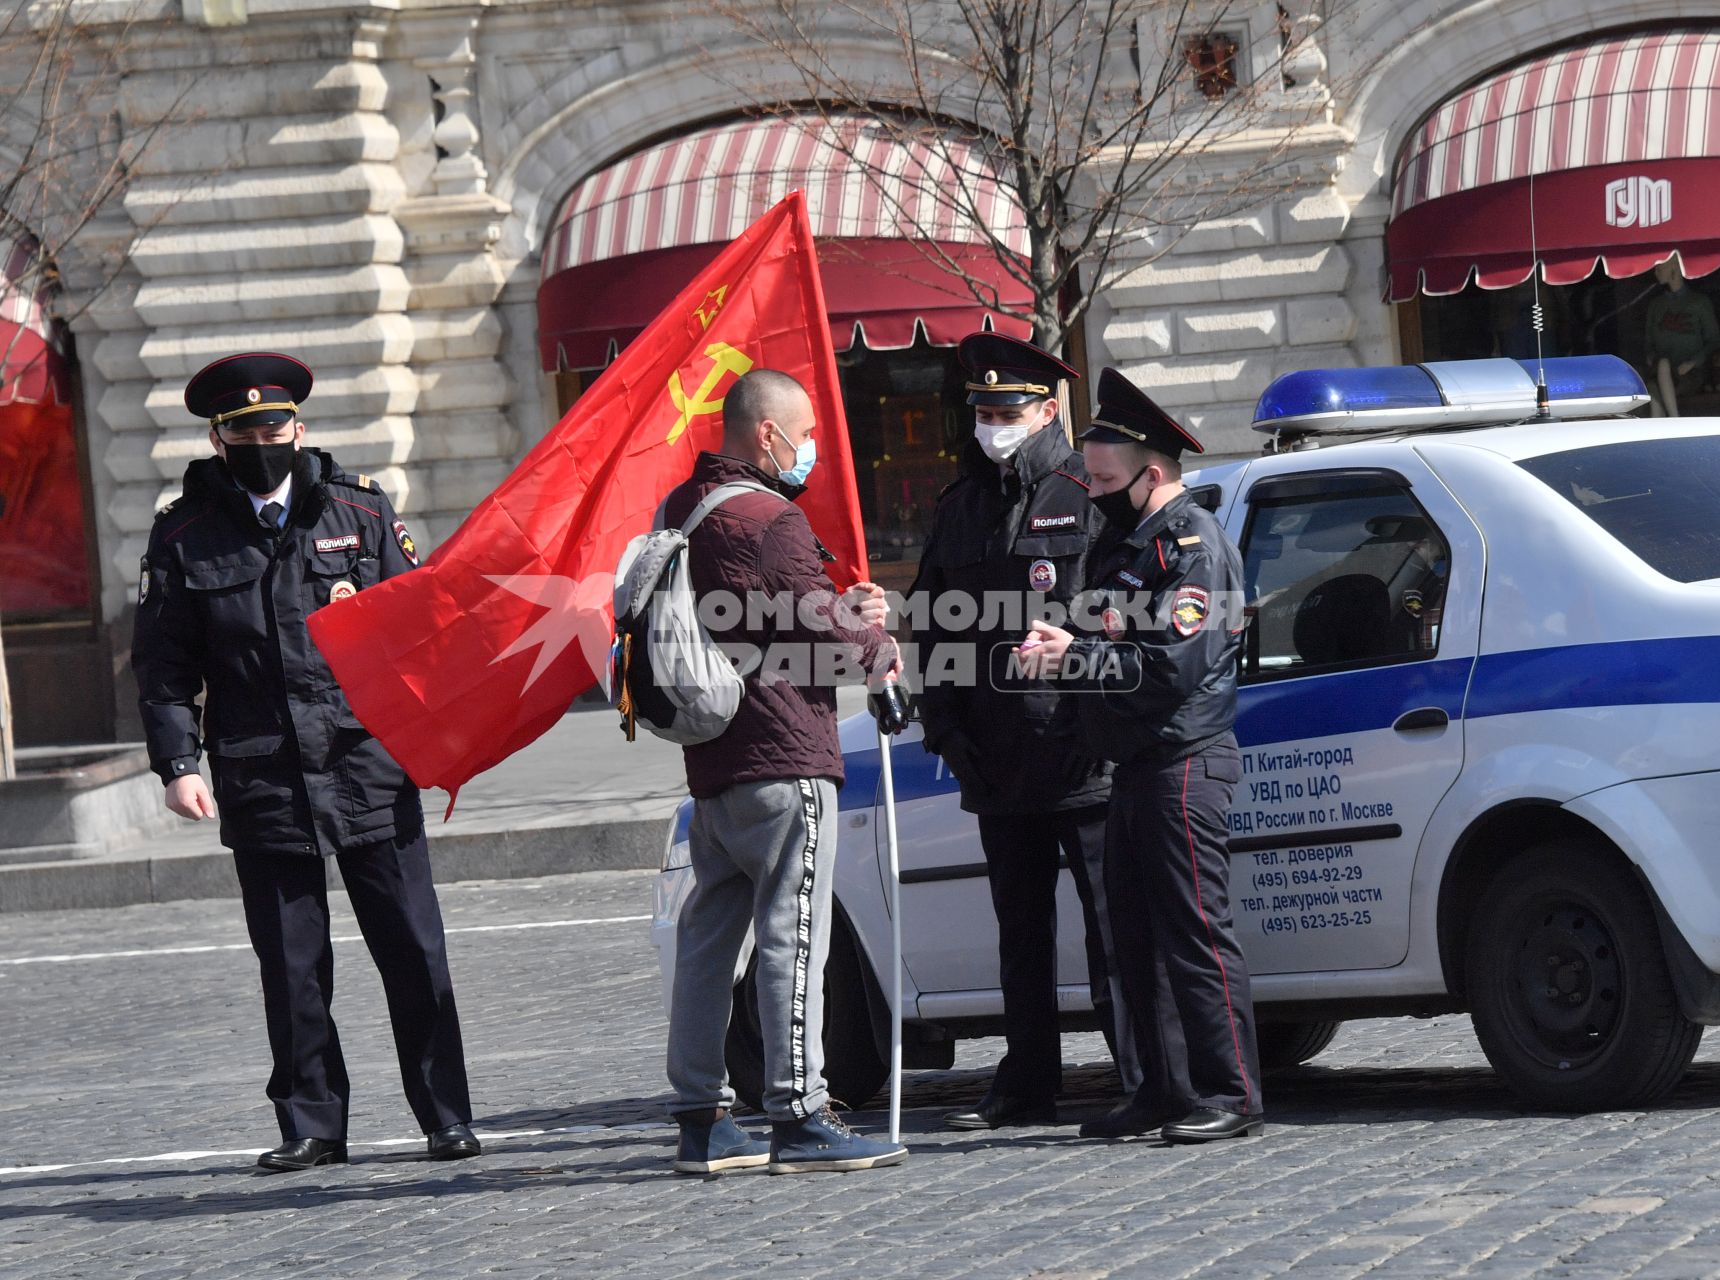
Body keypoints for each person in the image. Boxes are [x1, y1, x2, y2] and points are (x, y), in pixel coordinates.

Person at [132, 353, 479, 1172]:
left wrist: (449, 726)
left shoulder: (360, 511)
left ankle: (445, 1115)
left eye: (274, 425)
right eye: (244, 430)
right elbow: (165, 664)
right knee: (291, 966)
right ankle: (312, 1123)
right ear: (219, 441)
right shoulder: (183, 534)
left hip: (366, 762)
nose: (263, 440)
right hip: (261, 770)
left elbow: (418, 628)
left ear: (300, 428)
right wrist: (178, 761)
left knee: (413, 949)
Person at [660, 368, 909, 1176]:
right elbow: (821, 631)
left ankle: (702, 1117)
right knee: (794, 936)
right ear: (766, 434)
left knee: (709, 939)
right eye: (803, 436)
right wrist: (877, 640)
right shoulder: (771, 520)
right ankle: (799, 1112)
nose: (810, 452)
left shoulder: (684, 511)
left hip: (715, 758)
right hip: (783, 751)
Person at [1017, 367, 1264, 1144]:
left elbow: (1169, 667)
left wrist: (1076, 659)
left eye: (1103, 477)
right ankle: (1163, 1089)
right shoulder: (1134, 551)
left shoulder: (1193, 551)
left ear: (1149, 474)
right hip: (1134, 766)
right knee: (1135, 941)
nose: (1090, 490)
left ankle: (1230, 1094)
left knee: (1194, 931)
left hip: (1184, 760)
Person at [909, 332, 1139, 1131]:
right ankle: (1027, 1080)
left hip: (1082, 756)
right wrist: (944, 729)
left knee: (1114, 931)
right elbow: (932, 629)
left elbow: (1126, 621)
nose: (993, 423)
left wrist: (1098, 716)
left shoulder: (1090, 494)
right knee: (1021, 938)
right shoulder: (961, 505)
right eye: (983, 410)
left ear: (1047, 411)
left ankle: (1139, 1073)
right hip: (996, 760)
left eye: (1008, 410)